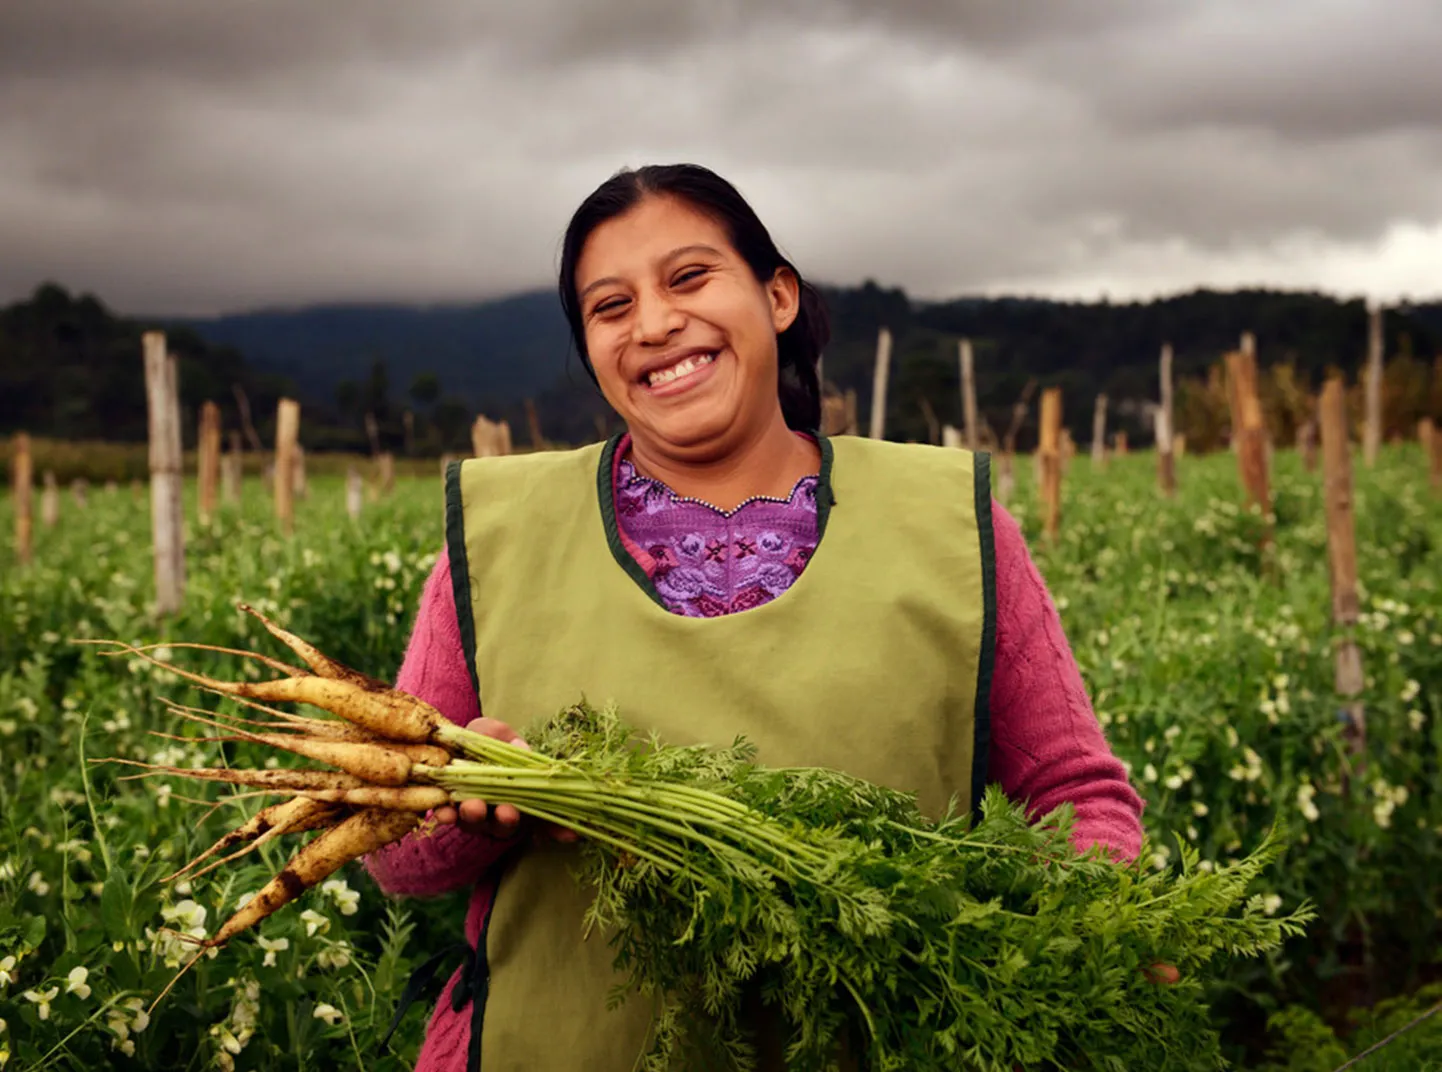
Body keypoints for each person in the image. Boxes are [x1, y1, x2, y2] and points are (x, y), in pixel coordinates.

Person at [365, 163, 1146, 1072]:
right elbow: (393, 854)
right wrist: (466, 809)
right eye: (610, 307)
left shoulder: (948, 522)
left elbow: (1071, 794)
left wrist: (1102, 927)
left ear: (778, 296)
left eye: (689, 278)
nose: (655, 324)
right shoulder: (503, 538)